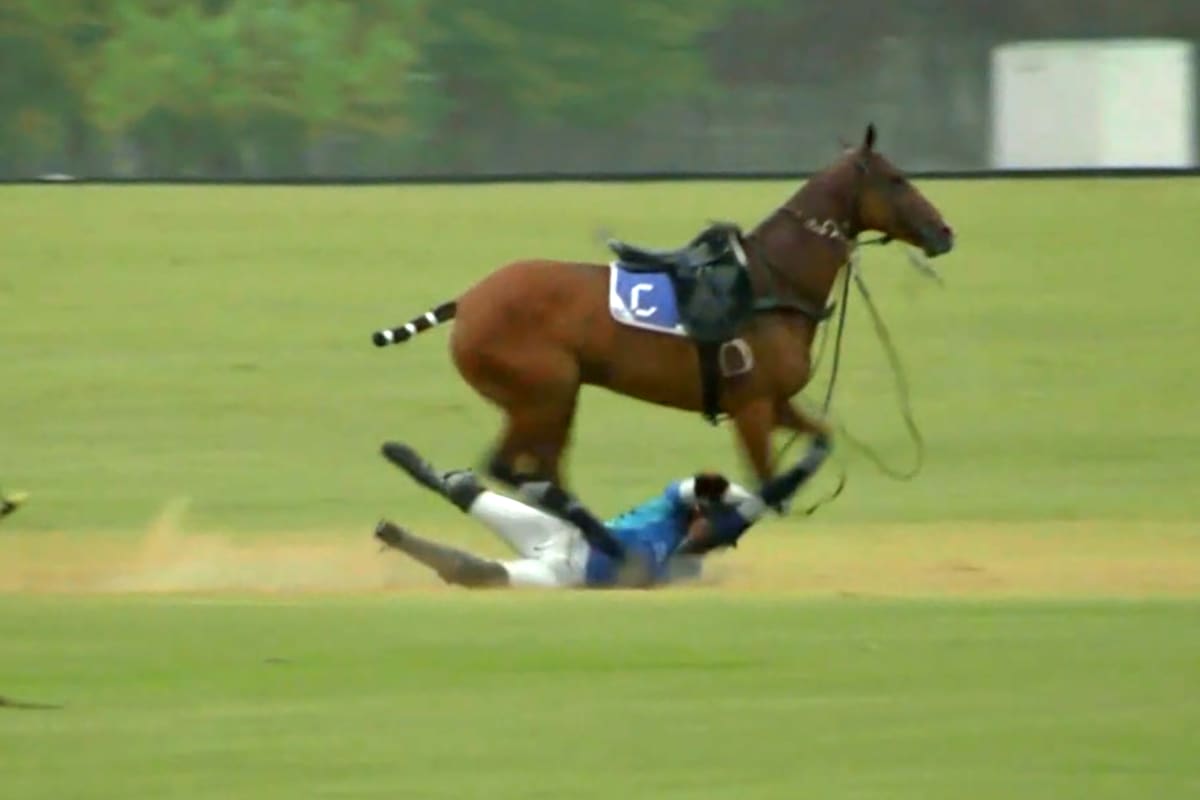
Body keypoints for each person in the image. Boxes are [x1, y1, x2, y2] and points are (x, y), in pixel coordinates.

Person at [373, 436, 830, 590]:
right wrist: (735, 492)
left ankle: (401, 540)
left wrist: (809, 463)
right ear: (696, 511)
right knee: (464, 491)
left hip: (563, 570)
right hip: (568, 532)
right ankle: (431, 475)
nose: (716, 532)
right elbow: (710, 483)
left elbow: (767, 499)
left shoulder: (698, 550)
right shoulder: (675, 501)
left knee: (480, 577)